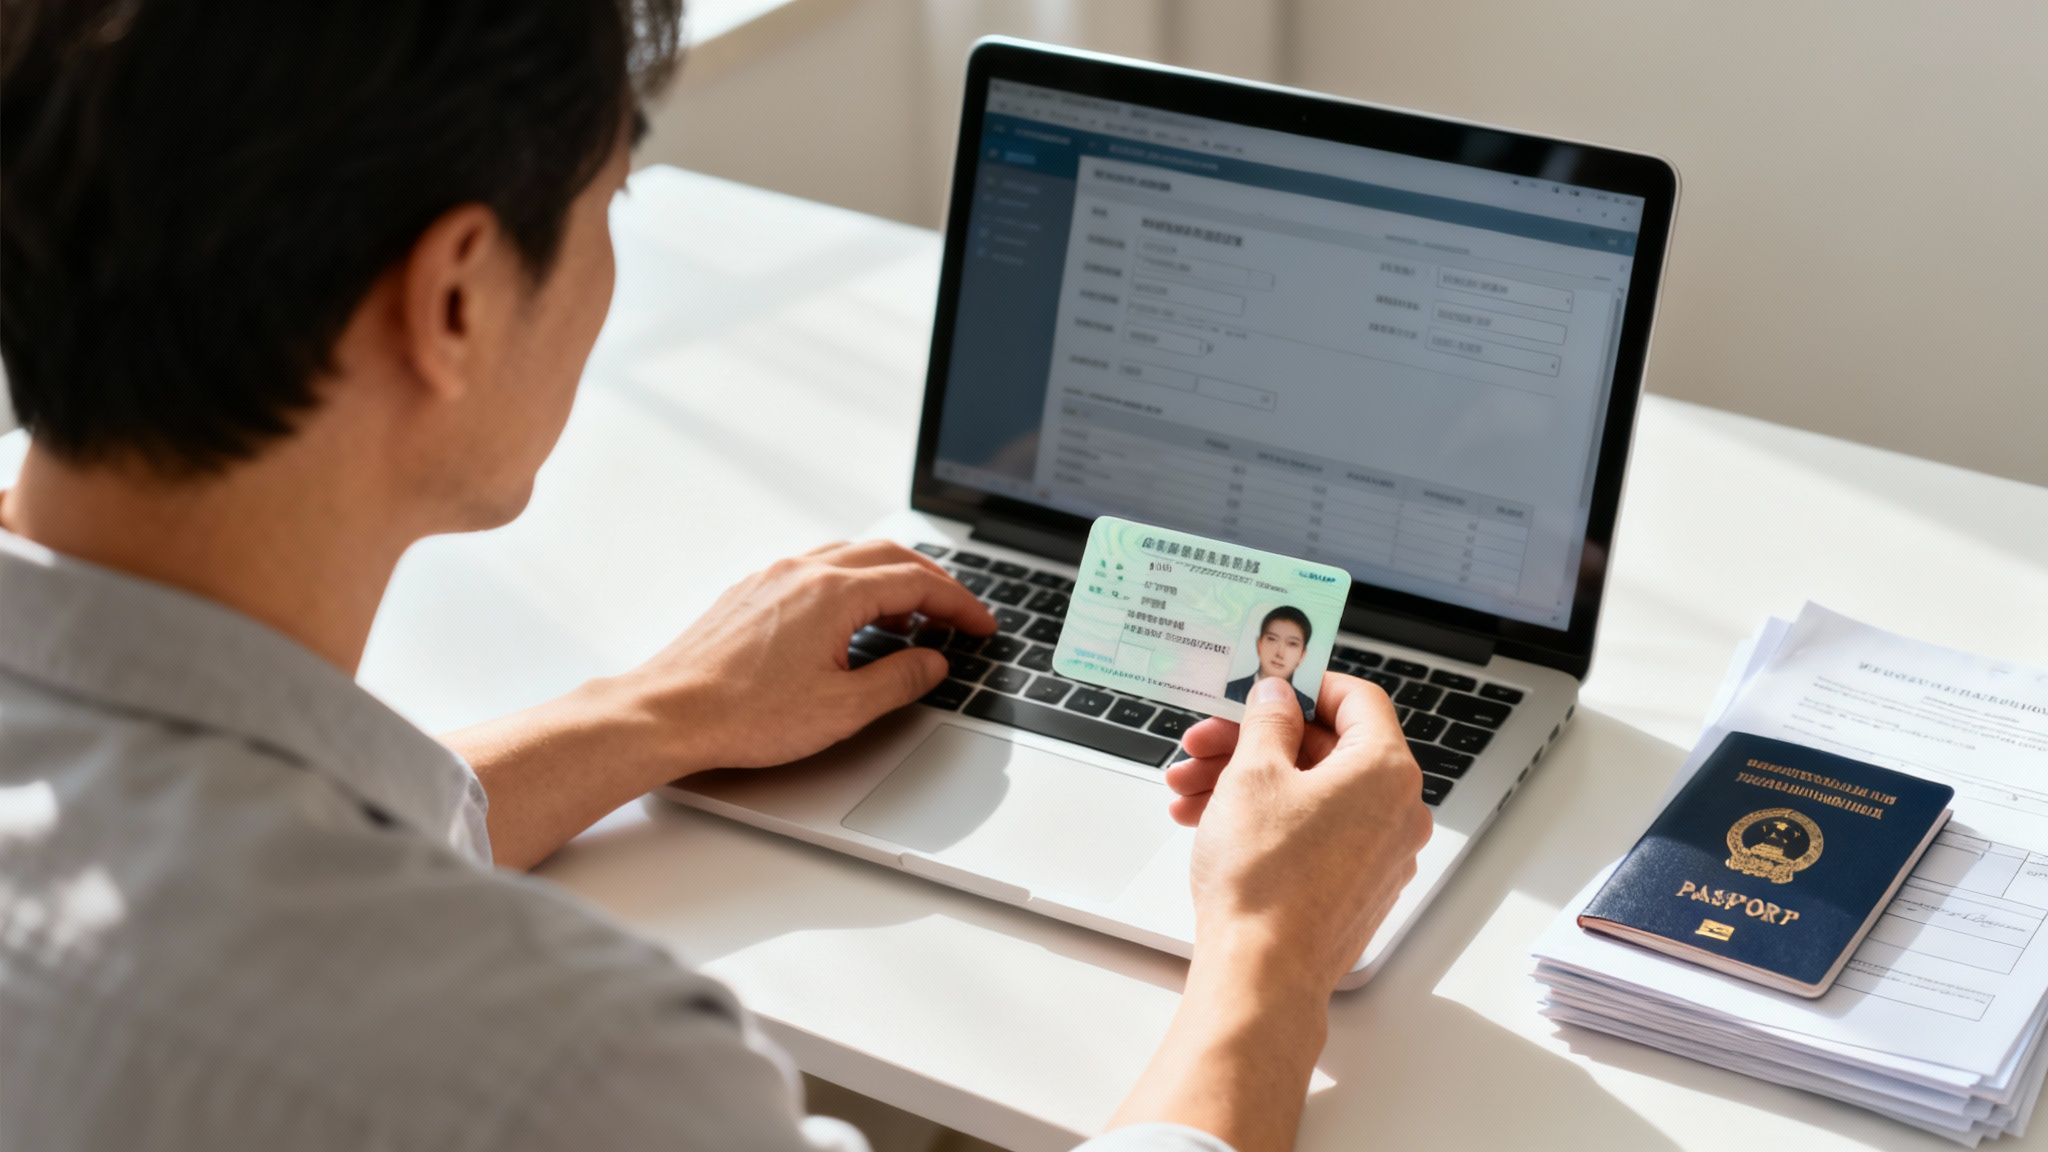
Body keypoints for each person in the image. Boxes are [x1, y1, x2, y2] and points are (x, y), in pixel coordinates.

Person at [0, 4, 1432, 1151]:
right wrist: (1268, 956)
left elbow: (219, 834)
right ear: (453, 300)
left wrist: (653, 713)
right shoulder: (563, 1073)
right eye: (609, 196)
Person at [1223, 606, 1319, 718]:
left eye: (1292, 644)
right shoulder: (1229, 691)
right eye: (1272, 639)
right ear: (1259, 645)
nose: (1280, 653)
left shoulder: (1307, 706)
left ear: (1302, 655)